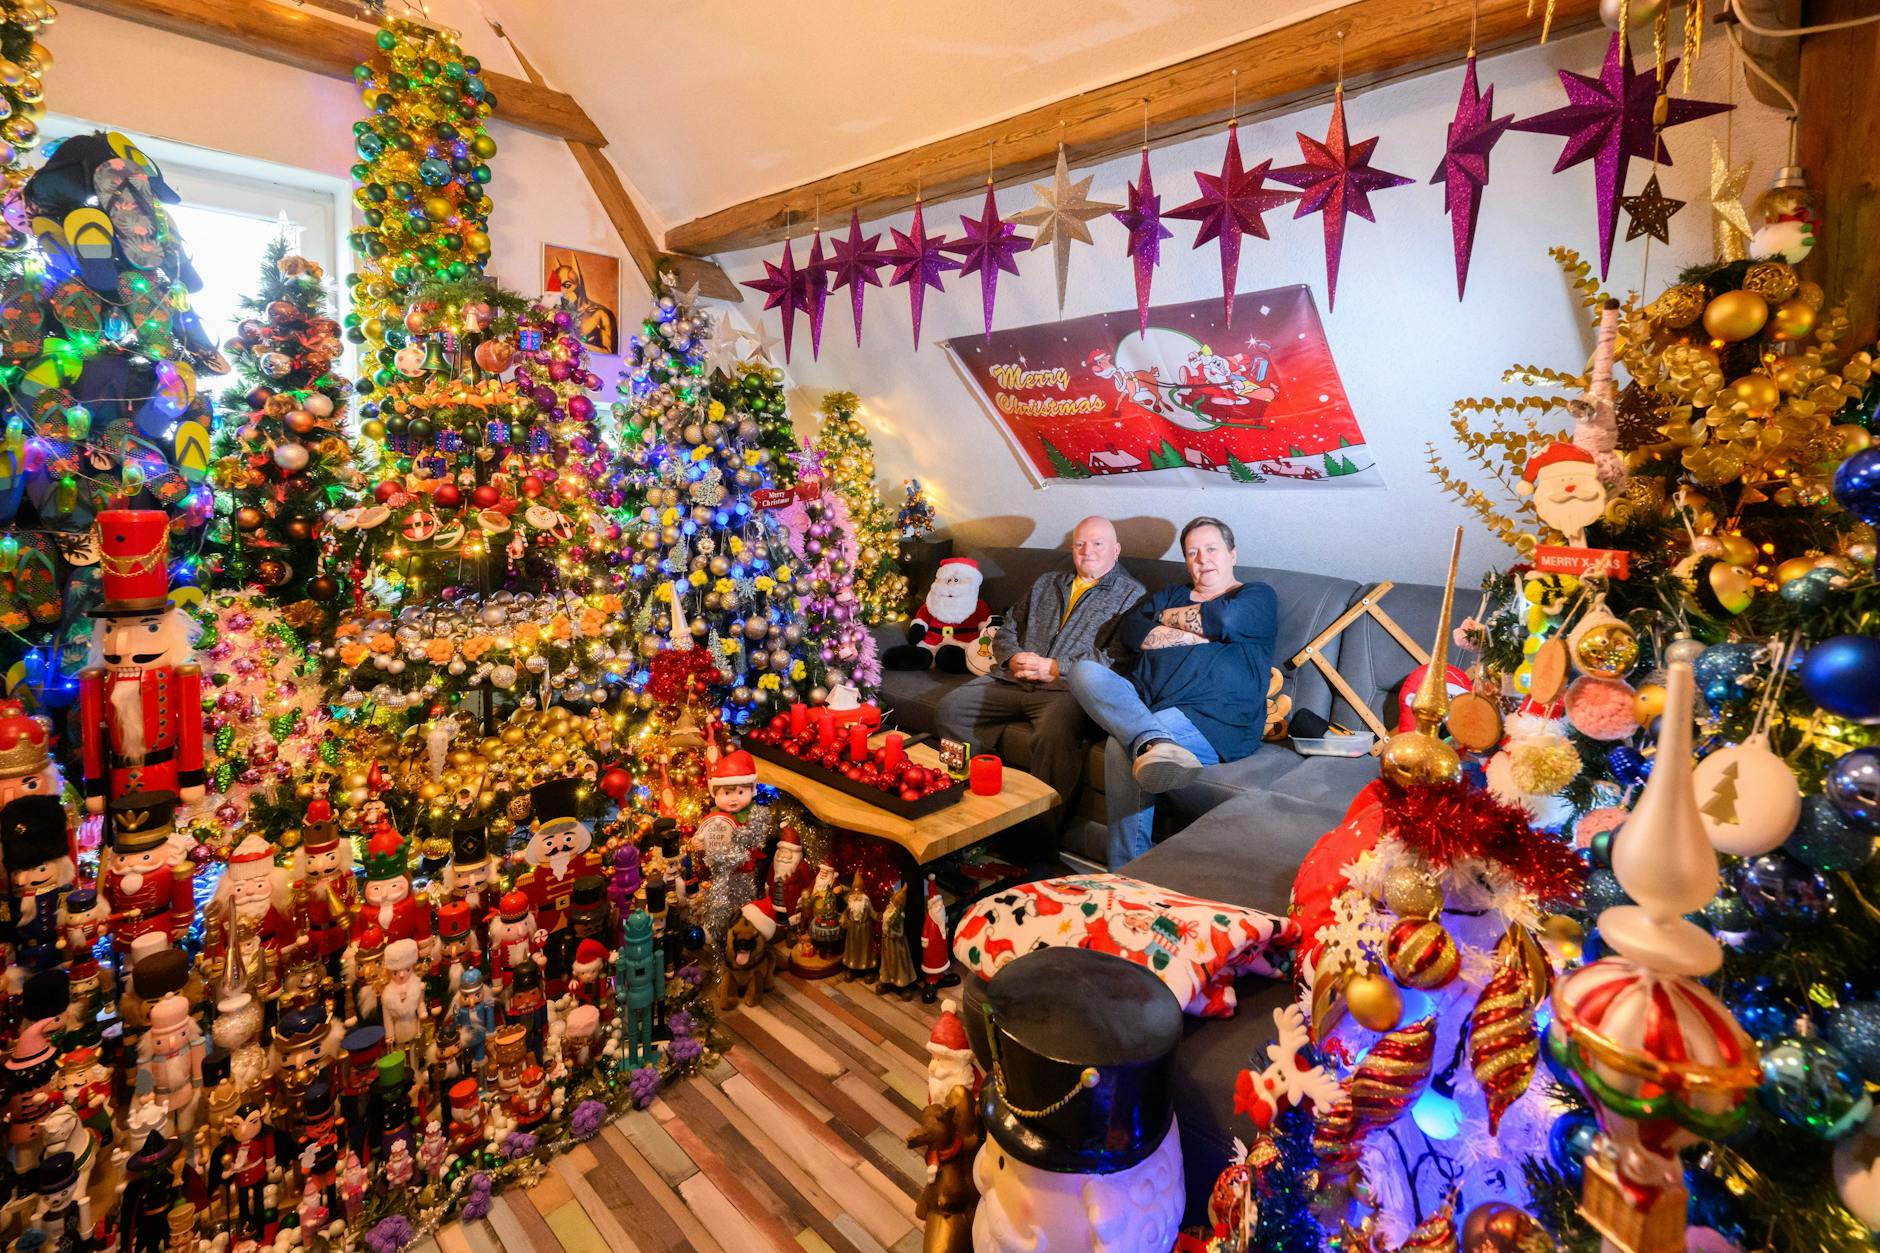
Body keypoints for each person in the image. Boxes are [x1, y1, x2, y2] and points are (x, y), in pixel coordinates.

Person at [1068, 517, 1277, 868]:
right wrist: (1198, 630)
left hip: (1214, 720)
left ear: (1232, 554)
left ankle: (1126, 870)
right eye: (1193, 552)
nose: (1202, 559)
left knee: (1122, 747)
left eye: (1212, 549)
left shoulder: (1257, 596)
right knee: (1082, 670)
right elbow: (1132, 630)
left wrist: (1165, 621)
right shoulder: (1171, 593)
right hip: (1146, 708)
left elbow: (1226, 621)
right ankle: (1153, 739)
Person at [933, 517, 1145, 850]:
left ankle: (1037, 843)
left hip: (1067, 690)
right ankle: (974, 807)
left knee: (1054, 734)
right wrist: (1012, 657)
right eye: (1079, 544)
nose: (1087, 551)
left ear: (1116, 550)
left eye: (1098, 544)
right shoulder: (1048, 581)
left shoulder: (1132, 595)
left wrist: (1057, 667)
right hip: (1012, 679)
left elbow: (1118, 660)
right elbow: (1007, 627)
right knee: (951, 709)